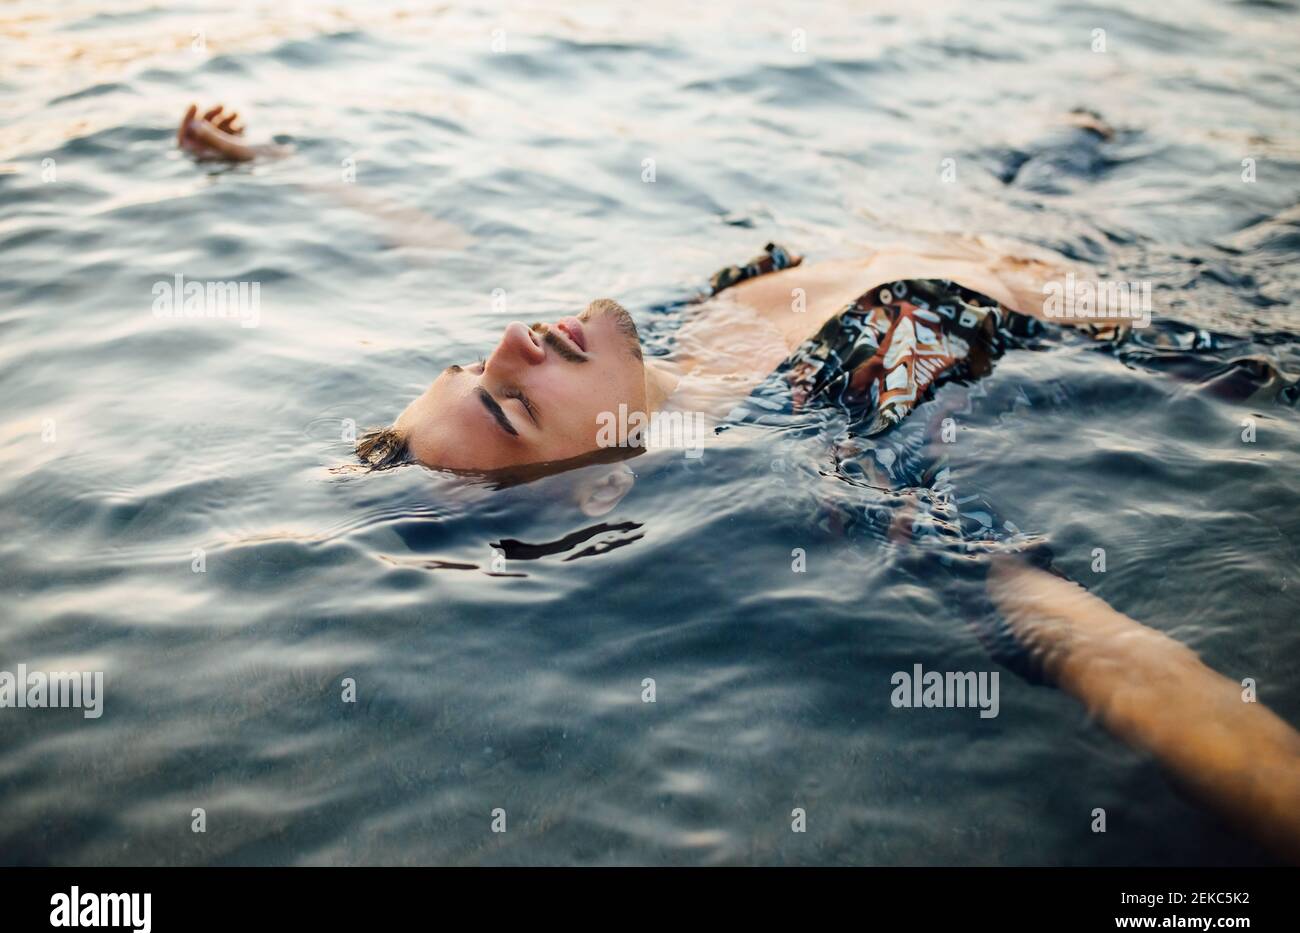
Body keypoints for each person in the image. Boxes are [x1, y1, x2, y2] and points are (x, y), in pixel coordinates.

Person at [179, 104, 1300, 862]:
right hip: (1197, 317)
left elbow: (440, 245)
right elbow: (1096, 646)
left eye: (479, 366)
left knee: (1089, 114)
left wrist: (268, 165)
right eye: (512, 402)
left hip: (1020, 201)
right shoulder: (834, 458)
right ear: (599, 495)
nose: (513, 341)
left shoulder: (665, 340)